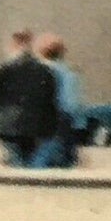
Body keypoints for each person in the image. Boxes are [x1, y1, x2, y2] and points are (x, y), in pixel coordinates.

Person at [0, 30, 59, 169]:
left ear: (14, 45)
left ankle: (20, 181)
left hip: (10, 123)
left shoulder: (7, 69)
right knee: (30, 157)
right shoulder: (44, 71)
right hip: (36, 124)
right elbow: (50, 99)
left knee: (15, 159)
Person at [30, 36, 82, 169]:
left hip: (45, 120)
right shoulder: (69, 72)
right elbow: (72, 104)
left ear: (41, 52)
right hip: (65, 120)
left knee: (41, 160)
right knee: (64, 161)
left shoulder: (37, 72)